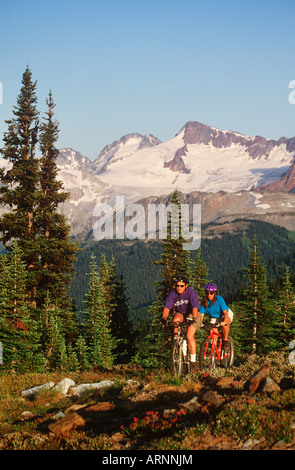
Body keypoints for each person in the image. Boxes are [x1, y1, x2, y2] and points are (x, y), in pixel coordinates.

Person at [161, 274, 201, 372]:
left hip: (193, 313)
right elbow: (167, 307)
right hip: (182, 313)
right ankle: (176, 342)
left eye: (181, 286)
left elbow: (195, 306)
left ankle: (193, 363)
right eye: (177, 285)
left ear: (186, 285)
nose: (179, 288)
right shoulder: (173, 293)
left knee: (189, 336)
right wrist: (164, 317)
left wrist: (194, 317)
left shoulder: (191, 292)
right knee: (176, 320)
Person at [199, 283, 232, 348]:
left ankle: (225, 340)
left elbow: (226, 313)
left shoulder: (219, 299)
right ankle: (214, 351)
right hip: (215, 317)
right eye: (207, 293)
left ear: (215, 293)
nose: (209, 295)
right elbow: (201, 315)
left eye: (211, 293)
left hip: (225, 314)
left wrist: (224, 322)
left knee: (225, 325)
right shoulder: (204, 302)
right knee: (214, 332)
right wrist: (199, 323)